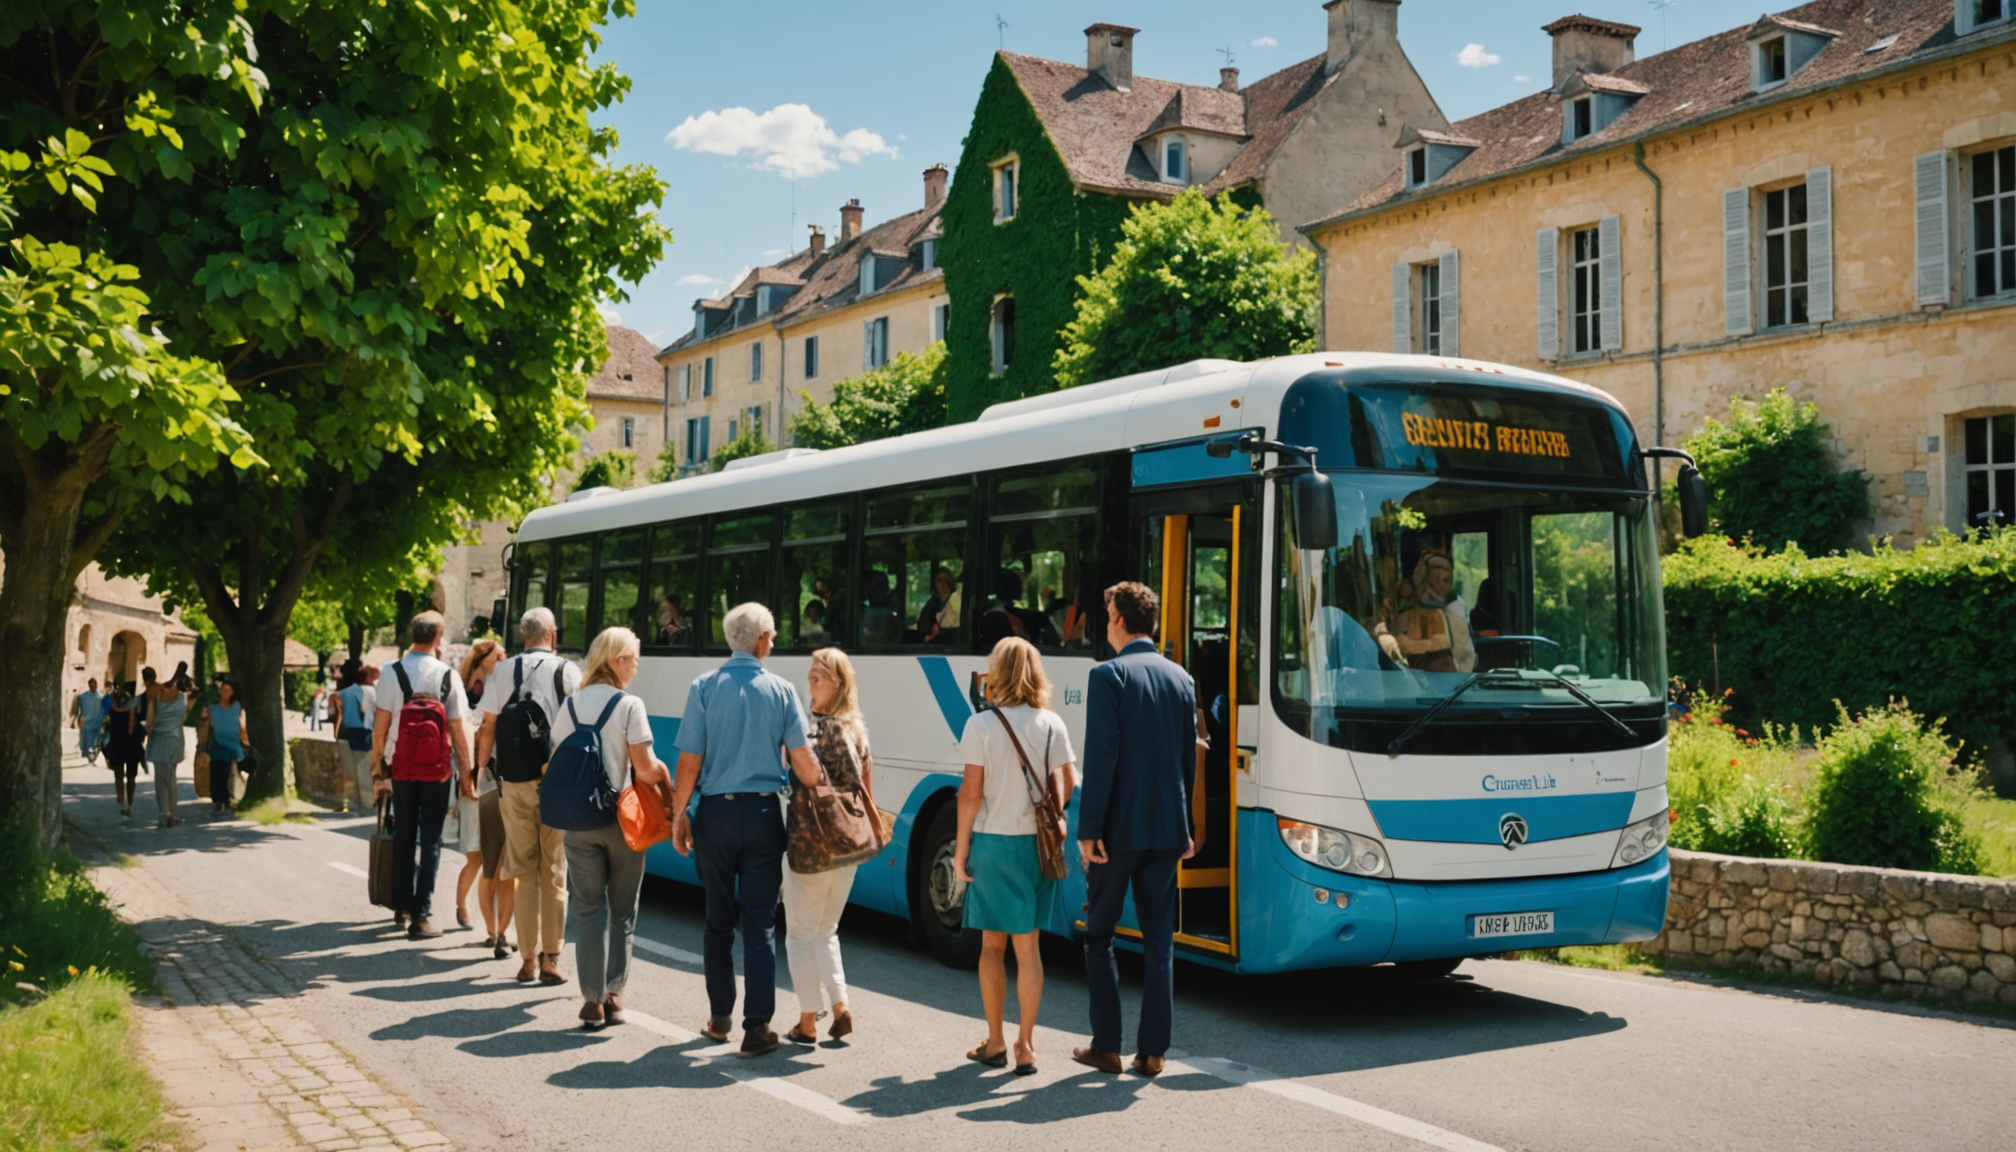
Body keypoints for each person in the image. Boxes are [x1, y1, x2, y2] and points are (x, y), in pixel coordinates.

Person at [668, 601, 818, 1056]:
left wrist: (680, 817)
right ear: (759, 640)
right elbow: (803, 762)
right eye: (771, 635)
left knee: (718, 921)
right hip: (762, 816)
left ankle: (719, 1019)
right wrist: (825, 785)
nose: (772, 642)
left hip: (714, 815)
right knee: (760, 924)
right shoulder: (782, 690)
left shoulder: (703, 687)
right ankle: (757, 1027)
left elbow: (689, 762)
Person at [1073, 581, 1197, 1078]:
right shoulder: (1181, 678)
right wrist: (1185, 827)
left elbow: (1102, 759)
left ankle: (1107, 1047)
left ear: (1122, 620)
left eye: (1107, 617)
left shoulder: (1108, 676)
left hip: (1117, 832)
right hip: (1167, 830)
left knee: (1099, 936)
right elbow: (1186, 761)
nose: (1106, 625)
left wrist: (1088, 829)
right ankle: (1153, 1052)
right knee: (1159, 943)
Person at [953, 637, 1078, 1076]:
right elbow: (1066, 785)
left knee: (991, 946)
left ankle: (995, 1041)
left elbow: (970, 794)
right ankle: (1026, 1045)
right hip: (1038, 847)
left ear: (997, 673)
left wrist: (961, 850)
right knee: (1029, 949)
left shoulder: (980, 726)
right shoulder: (1051, 724)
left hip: (993, 842)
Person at [557, 626, 666, 1029]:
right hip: (622, 822)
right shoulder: (629, 705)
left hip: (578, 822)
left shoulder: (569, 706)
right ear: (618, 661)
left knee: (587, 911)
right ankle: (613, 994)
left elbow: (555, 757)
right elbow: (644, 768)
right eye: (634, 659)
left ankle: (590, 1000)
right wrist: (664, 772)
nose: (636, 666)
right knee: (623, 911)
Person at [475, 606, 582, 984]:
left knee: (521, 870)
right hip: (556, 783)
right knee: (553, 869)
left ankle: (526, 960)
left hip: (513, 781)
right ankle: (552, 959)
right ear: (552, 634)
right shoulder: (569, 671)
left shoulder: (504, 671)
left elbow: (487, 726)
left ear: (523, 635)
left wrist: (480, 771)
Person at [781, 648, 877, 1046]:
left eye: (817, 678)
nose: (809, 684)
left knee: (801, 935)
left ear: (837, 684)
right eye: (809, 676)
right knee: (826, 930)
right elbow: (865, 793)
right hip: (849, 845)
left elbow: (805, 778)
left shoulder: (815, 731)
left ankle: (807, 1023)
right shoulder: (856, 728)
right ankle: (840, 1007)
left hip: (812, 846)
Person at [371, 610, 472, 940]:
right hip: (437, 773)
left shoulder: (391, 672)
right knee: (430, 841)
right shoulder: (447, 675)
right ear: (439, 637)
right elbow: (457, 729)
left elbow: (381, 726)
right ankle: (421, 916)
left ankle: (401, 907)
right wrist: (467, 773)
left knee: (404, 835)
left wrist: (377, 766)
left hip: (401, 769)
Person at [453, 640, 506, 937]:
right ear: (482, 657)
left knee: (491, 856)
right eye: (498, 654)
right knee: (475, 855)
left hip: (491, 777)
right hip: (472, 776)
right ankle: (461, 904)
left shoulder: (499, 684)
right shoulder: (464, 688)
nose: (503, 658)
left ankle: (493, 924)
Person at [140, 666, 191, 828]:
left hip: (160, 743)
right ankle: (171, 813)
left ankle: (165, 813)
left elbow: (148, 725)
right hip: (175, 743)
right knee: (171, 779)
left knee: (161, 780)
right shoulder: (182, 700)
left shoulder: (155, 699)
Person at [332, 661, 378, 813]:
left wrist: (336, 736)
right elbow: (368, 711)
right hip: (361, 732)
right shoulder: (368, 691)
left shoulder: (341, 693)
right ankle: (366, 803)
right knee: (363, 769)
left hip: (344, 733)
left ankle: (347, 803)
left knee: (348, 771)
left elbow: (337, 715)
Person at [204, 679, 249, 817]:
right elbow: (206, 726)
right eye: (224, 689)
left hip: (233, 745)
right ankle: (218, 802)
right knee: (216, 773)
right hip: (217, 744)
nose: (225, 692)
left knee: (228, 774)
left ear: (233, 692)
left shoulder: (237, 706)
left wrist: (246, 741)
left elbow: (242, 726)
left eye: (229, 690)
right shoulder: (212, 708)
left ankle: (227, 801)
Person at [104, 682, 146, 816]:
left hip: (117, 746)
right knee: (131, 778)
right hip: (132, 747)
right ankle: (130, 803)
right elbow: (141, 733)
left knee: (118, 776)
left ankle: (121, 800)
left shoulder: (112, 712)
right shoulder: (135, 714)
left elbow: (107, 731)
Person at [916, 567, 961, 644]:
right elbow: (923, 623)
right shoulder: (932, 602)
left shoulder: (956, 599)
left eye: (946, 581)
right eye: (939, 581)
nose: (943, 584)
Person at [71, 679, 105, 766]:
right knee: (87, 742)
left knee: (95, 742)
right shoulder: (83, 697)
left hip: (97, 723)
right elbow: (78, 709)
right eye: (91, 686)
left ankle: (91, 755)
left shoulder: (101, 697)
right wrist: (76, 718)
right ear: (89, 686)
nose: (93, 687)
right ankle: (89, 755)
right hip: (87, 724)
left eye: (94, 685)